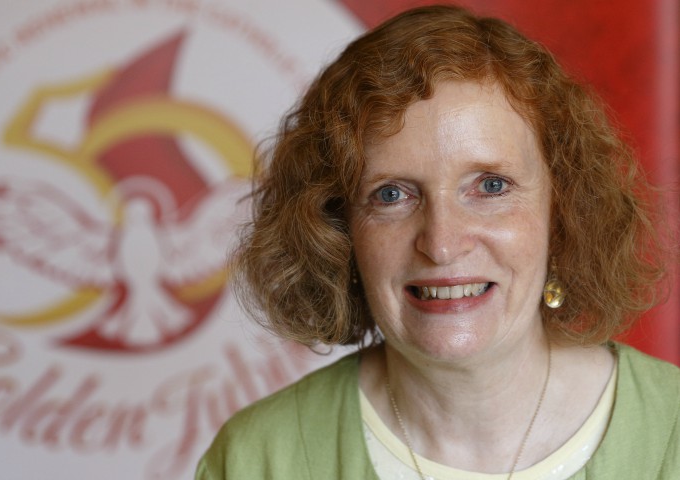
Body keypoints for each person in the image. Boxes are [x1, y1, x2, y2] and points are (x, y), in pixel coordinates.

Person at [196, 5, 679, 479]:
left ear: (564, 209)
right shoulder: (257, 461)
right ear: (339, 231)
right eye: (391, 195)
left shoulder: (670, 434)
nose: (442, 244)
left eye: (490, 186)